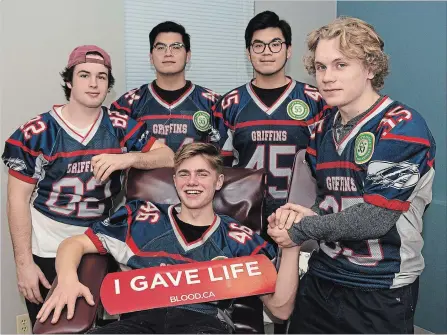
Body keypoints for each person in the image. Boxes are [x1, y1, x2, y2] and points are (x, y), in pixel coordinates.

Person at [267, 16, 436, 333]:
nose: (326, 77)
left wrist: (301, 229)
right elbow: (331, 202)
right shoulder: (321, 129)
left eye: (340, 65)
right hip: (324, 275)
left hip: (380, 287)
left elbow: (376, 217)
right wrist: (301, 215)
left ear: (371, 68)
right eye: (320, 67)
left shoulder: (402, 126)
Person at [36, 143, 301, 334]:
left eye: (202, 174)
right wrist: (67, 281)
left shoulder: (239, 239)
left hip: (203, 323)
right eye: (184, 174)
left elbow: (280, 310)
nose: (192, 182)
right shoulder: (140, 217)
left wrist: (291, 247)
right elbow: (74, 243)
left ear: (218, 181)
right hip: (138, 322)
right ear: (174, 180)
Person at [2, 45, 174, 326]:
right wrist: (24, 266)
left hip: (99, 238)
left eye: (102, 77)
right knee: (53, 326)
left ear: (109, 85)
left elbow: (167, 156)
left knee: (106, 324)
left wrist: (128, 158)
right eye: (84, 75)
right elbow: (16, 201)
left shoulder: (119, 124)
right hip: (48, 242)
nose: (94, 83)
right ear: (69, 81)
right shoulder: (37, 132)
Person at [212, 11, 328, 235]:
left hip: (299, 215)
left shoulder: (315, 101)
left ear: (289, 50)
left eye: (275, 44)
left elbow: (327, 167)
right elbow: (216, 168)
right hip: (243, 216)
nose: (266, 52)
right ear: (248, 53)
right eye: (258, 45)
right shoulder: (229, 104)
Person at [111, 21, 221, 152]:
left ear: (188, 55)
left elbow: (223, 160)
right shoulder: (127, 104)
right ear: (151, 57)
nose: (168, 53)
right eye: (160, 47)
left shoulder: (213, 103)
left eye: (176, 47)